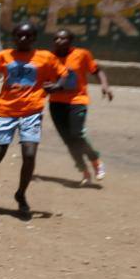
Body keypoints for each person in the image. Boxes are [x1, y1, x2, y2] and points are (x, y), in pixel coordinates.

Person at [0, 22, 62, 216]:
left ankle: (21, 194)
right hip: (5, 111)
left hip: (32, 111)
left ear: (34, 38)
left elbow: (64, 75)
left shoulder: (46, 58)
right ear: (13, 37)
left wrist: (57, 86)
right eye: (19, 36)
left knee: (29, 154)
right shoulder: (2, 56)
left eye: (28, 36)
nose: (23, 39)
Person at [49, 29, 112, 185]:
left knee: (77, 134)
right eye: (56, 38)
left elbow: (97, 70)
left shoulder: (82, 54)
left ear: (70, 41)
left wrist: (105, 85)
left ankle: (95, 161)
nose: (58, 41)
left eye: (63, 38)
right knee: (69, 141)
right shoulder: (49, 58)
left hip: (77, 100)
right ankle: (84, 172)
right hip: (56, 103)